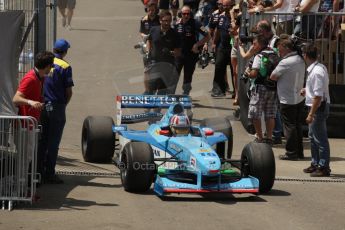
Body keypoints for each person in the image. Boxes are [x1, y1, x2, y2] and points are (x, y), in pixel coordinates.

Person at [37, 39, 74, 184]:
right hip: (57, 106)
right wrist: (64, 104)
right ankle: (49, 173)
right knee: (53, 141)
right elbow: (69, 91)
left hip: (42, 105)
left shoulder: (45, 63)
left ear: (54, 49)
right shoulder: (65, 66)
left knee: (42, 140)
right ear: (65, 51)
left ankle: (38, 171)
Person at [270, 34, 305, 160]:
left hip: (287, 99)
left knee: (289, 126)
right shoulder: (300, 59)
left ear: (286, 48)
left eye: (279, 48)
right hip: (299, 98)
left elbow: (273, 76)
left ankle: (291, 153)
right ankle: (299, 152)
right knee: (297, 125)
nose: (278, 51)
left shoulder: (285, 62)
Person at [301, 44, 331, 177]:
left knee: (320, 139)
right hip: (316, 107)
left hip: (318, 108)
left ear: (305, 56)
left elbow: (318, 96)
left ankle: (324, 166)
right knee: (313, 137)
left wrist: (311, 114)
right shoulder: (316, 69)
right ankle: (315, 163)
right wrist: (306, 91)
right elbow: (316, 92)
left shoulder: (317, 72)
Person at [246, 35, 279, 144]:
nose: (253, 46)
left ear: (260, 44)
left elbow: (254, 74)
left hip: (260, 88)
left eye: (254, 44)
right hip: (273, 88)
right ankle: (269, 138)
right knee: (270, 114)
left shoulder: (259, 56)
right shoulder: (275, 53)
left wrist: (247, 73)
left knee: (255, 113)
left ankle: (259, 137)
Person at [175, 5, 210, 95]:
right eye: (184, 14)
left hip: (191, 54)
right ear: (180, 14)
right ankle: (171, 93)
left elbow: (208, 36)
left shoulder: (196, 23)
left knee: (188, 75)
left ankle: (185, 94)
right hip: (178, 54)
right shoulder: (177, 24)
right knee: (174, 74)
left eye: (188, 13)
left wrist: (197, 45)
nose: (186, 15)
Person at [146, 11, 181, 95]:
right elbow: (149, 40)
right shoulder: (154, 30)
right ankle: (148, 105)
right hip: (154, 63)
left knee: (162, 89)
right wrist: (148, 51)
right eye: (165, 20)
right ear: (160, 20)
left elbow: (178, 52)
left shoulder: (175, 34)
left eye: (169, 20)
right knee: (151, 85)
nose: (167, 23)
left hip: (167, 65)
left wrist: (170, 52)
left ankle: (158, 107)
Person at [13, 51, 55, 121]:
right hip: (24, 125)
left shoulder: (41, 77)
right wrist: (31, 102)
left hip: (32, 122)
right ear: (48, 66)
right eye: (52, 66)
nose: (51, 68)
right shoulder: (30, 79)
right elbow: (15, 99)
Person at [210, 0, 236, 97]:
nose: (223, 7)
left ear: (232, 5)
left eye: (226, 6)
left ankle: (236, 91)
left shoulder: (236, 16)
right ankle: (218, 90)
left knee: (234, 70)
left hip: (233, 46)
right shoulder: (220, 16)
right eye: (222, 5)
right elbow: (217, 30)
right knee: (219, 66)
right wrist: (214, 43)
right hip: (222, 45)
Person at [140, 1, 160, 94]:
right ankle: (147, 90)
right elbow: (141, 31)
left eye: (153, 10)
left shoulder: (160, 19)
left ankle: (157, 89)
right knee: (146, 71)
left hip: (157, 47)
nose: (151, 12)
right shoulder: (143, 20)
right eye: (149, 10)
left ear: (156, 10)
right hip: (146, 48)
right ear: (147, 10)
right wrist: (144, 36)